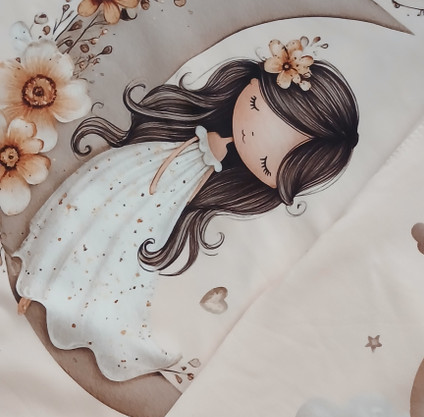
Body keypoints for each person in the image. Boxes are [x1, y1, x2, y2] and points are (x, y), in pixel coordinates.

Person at [14, 40, 359, 382]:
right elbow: (173, 161)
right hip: (144, 171)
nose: (251, 133)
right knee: (95, 210)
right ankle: (40, 280)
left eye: (267, 162)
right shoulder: (201, 133)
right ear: (255, 82)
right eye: (255, 104)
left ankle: (66, 296)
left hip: (163, 200)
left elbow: (191, 185)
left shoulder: (218, 177)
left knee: (118, 245)